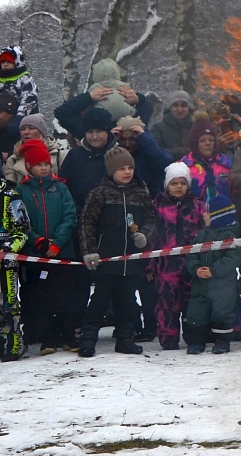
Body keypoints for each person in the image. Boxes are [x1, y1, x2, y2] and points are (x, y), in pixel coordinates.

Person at [78, 147, 156, 357]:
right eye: (122, 168)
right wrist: (90, 251)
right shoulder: (100, 193)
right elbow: (87, 223)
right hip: (106, 259)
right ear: (112, 170)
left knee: (128, 301)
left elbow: (151, 218)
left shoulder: (141, 192)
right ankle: (88, 339)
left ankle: (125, 338)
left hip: (131, 261)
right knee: (100, 299)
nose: (127, 172)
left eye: (130, 167)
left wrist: (145, 236)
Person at [16, 138, 80, 354]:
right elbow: (20, 221)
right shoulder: (21, 191)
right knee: (43, 298)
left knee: (66, 295)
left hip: (62, 252)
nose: (44, 167)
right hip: (36, 254)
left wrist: (58, 242)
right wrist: (39, 241)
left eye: (46, 164)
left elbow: (70, 216)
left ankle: (69, 335)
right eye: (39, 164)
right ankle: (48, 338)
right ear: (29, 167)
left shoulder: (60, 188)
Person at [147, 162, 206, 351]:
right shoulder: (158, 206)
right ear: (167, 185)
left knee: (192, 301)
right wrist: (150, 265)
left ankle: (193, 335)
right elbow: (152, 239)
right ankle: (168, 337)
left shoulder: (197, 205)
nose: (178, 187)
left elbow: (206, 233)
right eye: (174, 183)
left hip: (191, 263)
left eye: (182, 183)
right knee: (167, 302)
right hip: (166, 264)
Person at [183, 210, 241, 355]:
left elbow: (232, 258)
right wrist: (196, 269)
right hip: (200, 284)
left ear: (218, 215)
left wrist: (214, 270)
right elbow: (192, 254)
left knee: (222, 313)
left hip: (223, 286)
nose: (203, 215)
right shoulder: (201, 235)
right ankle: (196, 342)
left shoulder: (231, 236)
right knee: (197, 313)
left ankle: (222, 341)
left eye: (208, 213)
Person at [54, 59, 153, 137]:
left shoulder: (90, 135)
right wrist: (140, 100)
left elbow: (62, 112)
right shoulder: (132, 135)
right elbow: (147, 112)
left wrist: (88, 97)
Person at [0, 174, 26, 361]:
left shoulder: (9, 195)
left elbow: (23, 230)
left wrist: (8, 248)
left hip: (5, 261)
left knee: (8, 305)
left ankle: (12, 344)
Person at [4, 113, 64, 185]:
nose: (26, 132)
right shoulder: (13, 159)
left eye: (31, 128)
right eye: (22, 129)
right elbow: (11, 188)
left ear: (41, 132)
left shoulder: (59, 155)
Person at [150, 91, 197, 160]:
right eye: (176, 105)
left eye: (183, 106)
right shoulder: (157, 129)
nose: (180, 109)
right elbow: (155, 151)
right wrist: (181, 152)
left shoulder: (197, 128)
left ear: (189, 109)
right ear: (169, 108)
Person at [0, 47, 39, 118]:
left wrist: (20, 116)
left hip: (23, 117)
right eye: (2, 61)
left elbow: (29, 97)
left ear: (16, 62)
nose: (5, 64)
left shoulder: (24, 78)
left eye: (9, 61)